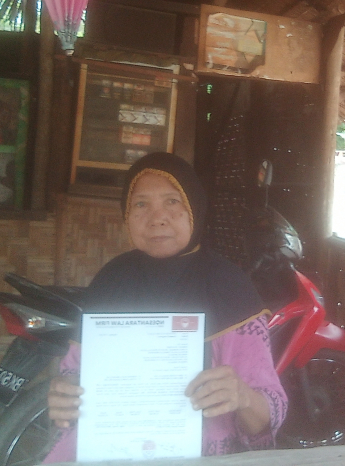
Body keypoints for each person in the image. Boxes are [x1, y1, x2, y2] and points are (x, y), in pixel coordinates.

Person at [44, 152, 287, 461]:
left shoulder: (229, 287)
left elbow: (268, 417)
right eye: (141, 204)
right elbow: (75, 376)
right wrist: (66, 393)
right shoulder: (110, 282)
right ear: (126, 214)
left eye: (172, 201)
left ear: (194, 207)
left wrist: (243, 397)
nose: (157, 218)